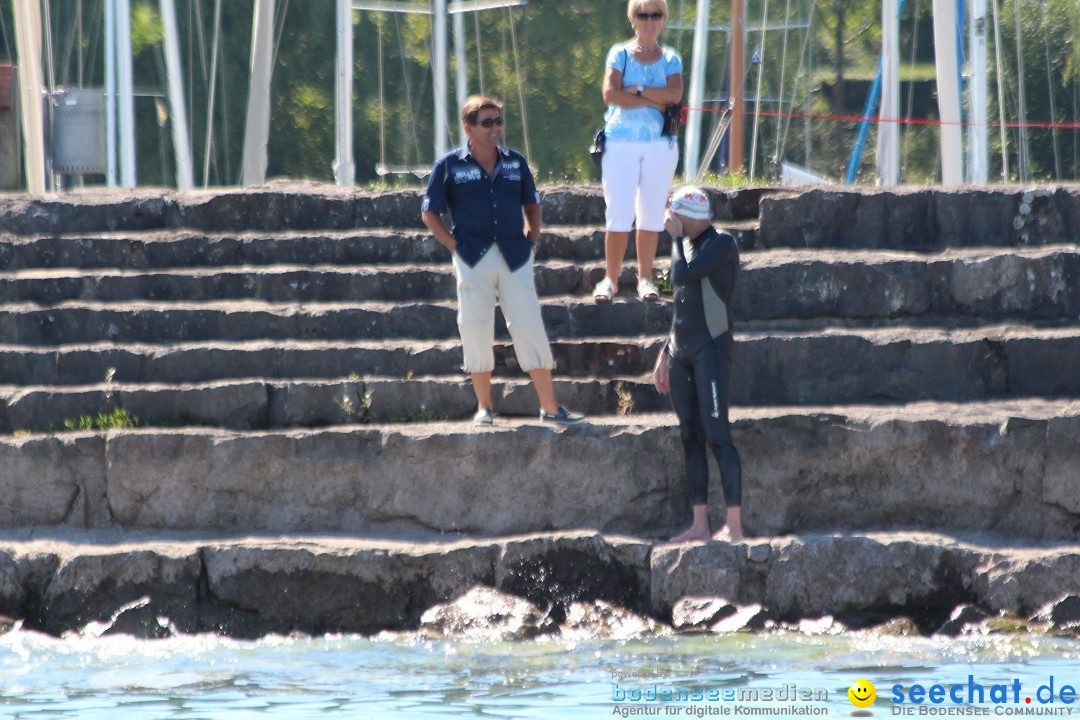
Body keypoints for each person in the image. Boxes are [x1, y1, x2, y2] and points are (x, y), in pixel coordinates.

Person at [421, 95, 584, 427]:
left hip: (514, 254)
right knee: (475, 326)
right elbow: (430, 212)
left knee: (529, 326)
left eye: (498, 121)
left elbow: (533, 205)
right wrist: (455, 246)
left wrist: (532, 240)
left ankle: (550, 406)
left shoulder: (515, 162)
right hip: (472, 255)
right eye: (487, 122)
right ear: (469, 127)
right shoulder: (449, 165)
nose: (495, 128)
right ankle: (484, 407)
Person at [652, 186, 744, 542]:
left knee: (718, 437)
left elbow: (682, 275)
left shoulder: (722, 243)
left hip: (711, 350)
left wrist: (675, 238)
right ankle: (699, 524)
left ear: (687, 214)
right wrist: (665, 350)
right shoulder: (685, 247)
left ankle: (734, 527)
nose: (668, 222)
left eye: (672, 215)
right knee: (690, 436)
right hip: (681, 351)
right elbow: (680, 303)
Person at [593, 0, 683, 303]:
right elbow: (610, 94)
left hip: (660, 144)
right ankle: (611, 279)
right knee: (618, 213)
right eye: (643, 14)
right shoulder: (619, 54)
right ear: (633, 19)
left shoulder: (671, 58)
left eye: (655, 14)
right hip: (620, 142)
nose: (649, 20)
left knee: (651, 215)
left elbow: (674, 94)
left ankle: (646, 279)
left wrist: (638, 91)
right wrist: (653, 102)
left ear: (663, 19)